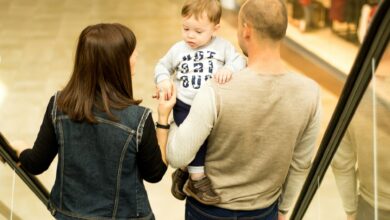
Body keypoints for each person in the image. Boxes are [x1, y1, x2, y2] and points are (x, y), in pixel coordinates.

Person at [157, 0, 322, 219]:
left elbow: (178, 156)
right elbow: (301, 164)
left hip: (208, 211)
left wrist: (167, 111)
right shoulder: (309, 92)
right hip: (264, 210)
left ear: (246, 30)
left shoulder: (215, 89)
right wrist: (283, 210)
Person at [13, 23, 167, 220]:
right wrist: (163, 119)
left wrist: (19, 149)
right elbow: (154, 174)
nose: (136, 56)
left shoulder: (59, 105)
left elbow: (35, 164)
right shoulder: (137, 119)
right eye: (130, 53)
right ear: (116, 64)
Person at [154, 0, 246, 205]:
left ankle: (183, 172)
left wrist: (229, 69)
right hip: (184, 104)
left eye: (198, 31)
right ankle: (196, 178)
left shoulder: (222, 47)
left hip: (211, 105)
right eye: (186, 29)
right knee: (198, 139)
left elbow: (239, 60)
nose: (190, 35)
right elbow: (162, 66)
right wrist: (163, 80)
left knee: (212, 139)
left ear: (215, 28)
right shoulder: (178, 49)